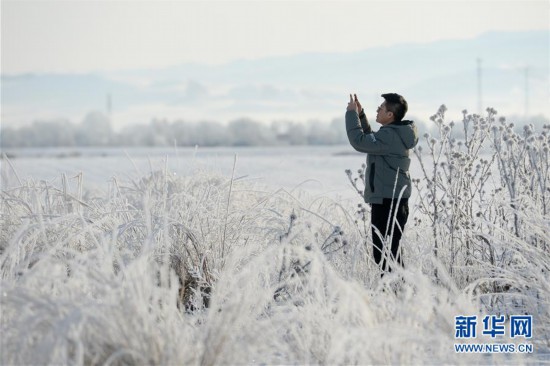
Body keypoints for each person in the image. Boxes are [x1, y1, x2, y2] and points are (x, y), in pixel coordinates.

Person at [345, 93, 418, 275]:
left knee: (385, 255)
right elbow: (372, 141)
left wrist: (351, 114)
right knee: (390, 254)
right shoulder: (393, 134)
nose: (377, 110)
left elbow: (359, 142)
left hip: (387, 202)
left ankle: (396, 296)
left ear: (390, 115)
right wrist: (361, 116)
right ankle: (397, 295)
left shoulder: (390, 136)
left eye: (381, 108)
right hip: (392, 200)